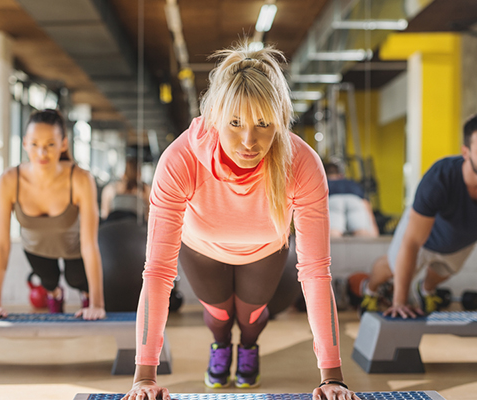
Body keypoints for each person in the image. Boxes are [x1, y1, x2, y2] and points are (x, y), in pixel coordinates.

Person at [122, 42, 358, 400]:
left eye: (263, 124)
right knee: (219, 317)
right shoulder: (180, 160)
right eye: (235, 123)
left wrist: (332, 377)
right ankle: (220, 346)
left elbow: (315, 271)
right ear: (216, 114)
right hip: (201, 249)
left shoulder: (302, 164)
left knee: (249, 319)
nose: (249, 141)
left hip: (264, 250)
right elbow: (157, 272)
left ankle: (249, 346)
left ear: (278, 120)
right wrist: (143, 376)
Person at [360, 113, 477, 318]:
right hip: (421, 236)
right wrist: (400, 302)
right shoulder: (440, 178)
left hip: (459, 242)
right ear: (466, 152)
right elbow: (411, 242)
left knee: (440, 274)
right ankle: (370, 289)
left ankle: (426, 290)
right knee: (392, 268)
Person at [0, 109, 106, 321]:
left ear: (63, 144)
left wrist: (97, 304)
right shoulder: (10, 180)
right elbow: (1, 245)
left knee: (76, 280)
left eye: (50, 144)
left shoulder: (81, 179)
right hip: (36, 248)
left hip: (73, 248)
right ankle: (55, 296)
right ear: (25, 144)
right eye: (35, 144)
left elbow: (90, 244)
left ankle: (85, 296)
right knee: (49, 281)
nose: (42, 153)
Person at [324, 162, 378, 238]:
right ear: (340, 175)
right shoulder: (351, 183)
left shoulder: (324, 183)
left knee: (333, 235)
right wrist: (374, 229)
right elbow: (365, 203)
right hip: (355, 201)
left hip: (333, 200)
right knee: (362, 234)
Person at [100, 157, 150, 223]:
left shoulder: (110, 189)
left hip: (113, 228)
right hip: (136, 229)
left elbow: (104, 215)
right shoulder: (145, 190)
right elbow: (149, 216)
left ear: (123, 173)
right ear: (139, 173)